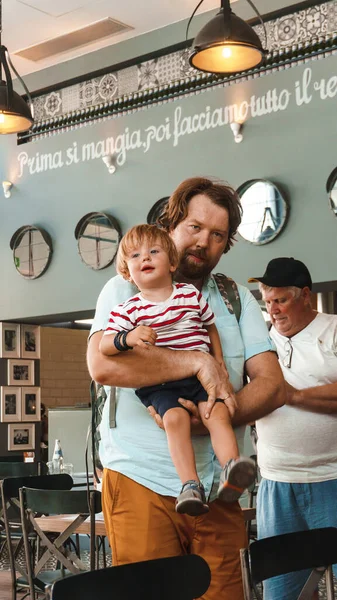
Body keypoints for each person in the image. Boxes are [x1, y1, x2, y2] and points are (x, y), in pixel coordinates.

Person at [87, 177, 284, 600]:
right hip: (142, 482)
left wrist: (212, 417)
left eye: (218, 235)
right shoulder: (125, 288)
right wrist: (197, 361)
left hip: (221, 491)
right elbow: (101, 365)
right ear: (171, 224)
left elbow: (271, 385)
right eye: (194, 227)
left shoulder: (234, 299)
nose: (203, 242)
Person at [99, 224, 257, 516]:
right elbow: (105, 347)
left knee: (217, 414)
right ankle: (190, 484)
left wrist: (218, 361)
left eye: (153, 252)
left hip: (198, 378)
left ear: (172, 263)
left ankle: (232, 468)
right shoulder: (128, 309)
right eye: (134, 256)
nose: (144, 258)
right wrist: (128, 337)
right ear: (126, 271)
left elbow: (210, 326)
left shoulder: (188, 294)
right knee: (174, 420)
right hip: (159, 384)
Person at [248, 257, 337, 600]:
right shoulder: (260, 343)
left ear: (305, 296)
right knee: (283, 592)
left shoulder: (332, 330)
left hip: (332, 478)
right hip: (277, 484)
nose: (273, 310)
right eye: (267, 302)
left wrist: (292, 395)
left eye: (281, 300)